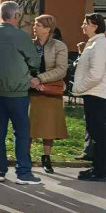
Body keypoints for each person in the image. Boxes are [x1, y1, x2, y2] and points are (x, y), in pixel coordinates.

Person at [0, 1, 42, 184]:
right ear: (16, 16)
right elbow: (34, 62)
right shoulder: (21, 36)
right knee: (21, 132)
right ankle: (23, 172)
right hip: (17, 92)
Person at [29, 14, 68, 173]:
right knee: (28, 125)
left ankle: (46, 157)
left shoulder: (59, 46)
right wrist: (31, 80)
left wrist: (40, 79)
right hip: (30, 89)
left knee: (49, 126)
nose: (34, 27)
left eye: (37, 25)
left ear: (47, 28)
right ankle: (25, 156)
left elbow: (61, 70)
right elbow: (22, 65)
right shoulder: (29, 44)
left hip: (50, 90)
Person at [72, 13, 106, 182]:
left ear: (95, 26)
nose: (82, 26)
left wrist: (78, 88)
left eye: (85, 23)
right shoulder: (93, 44)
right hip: (93, 93)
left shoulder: (99, 45)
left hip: (97, 94)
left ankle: (100, 171)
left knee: (98, 134)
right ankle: (98, 168)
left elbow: (95, 75)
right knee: (96, 133)